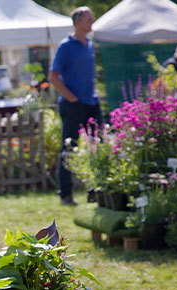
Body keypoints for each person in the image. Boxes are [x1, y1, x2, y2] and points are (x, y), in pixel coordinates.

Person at [49, 6, 102, 206]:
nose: (92, 23)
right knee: (70, 147)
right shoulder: (66, 46)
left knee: (98, 145)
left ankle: (96, 190)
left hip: (92, 101)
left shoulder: (89, 45)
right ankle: (66, 194)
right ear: (78, 21)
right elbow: (53, 77)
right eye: (89, 19)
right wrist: (71, 98)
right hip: (73, 105)